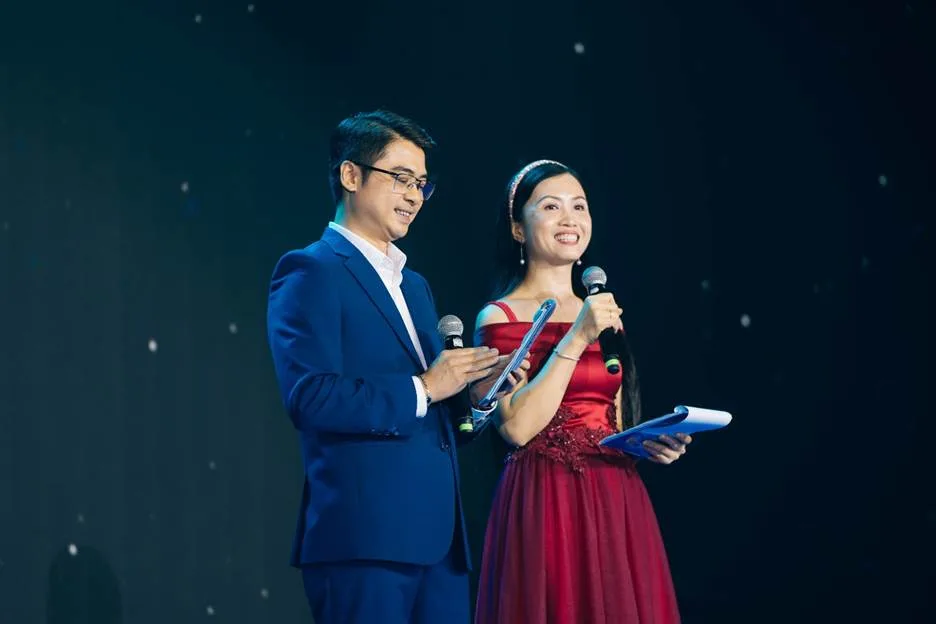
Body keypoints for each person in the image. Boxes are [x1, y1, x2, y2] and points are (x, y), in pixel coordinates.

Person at [266, 110, 527, 624]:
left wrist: (475, 400)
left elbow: (433, 416)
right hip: (364, 541)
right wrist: (426, 387)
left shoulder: (415, 285)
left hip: (440, 545)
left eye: (422, 185)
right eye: (401, 178)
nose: (414, 196)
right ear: (351, 174)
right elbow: (312, 398)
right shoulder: (311, 270)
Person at [473, 160, 692, 623]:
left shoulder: (603, 313)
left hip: (615, 494)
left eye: (579, 206)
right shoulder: (500, 317)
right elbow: (516, 428)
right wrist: (576, 337)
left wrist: (647, 443)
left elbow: (613, 419)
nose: (569, 219)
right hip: (546, 496)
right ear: (517, 228)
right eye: (551, 207)